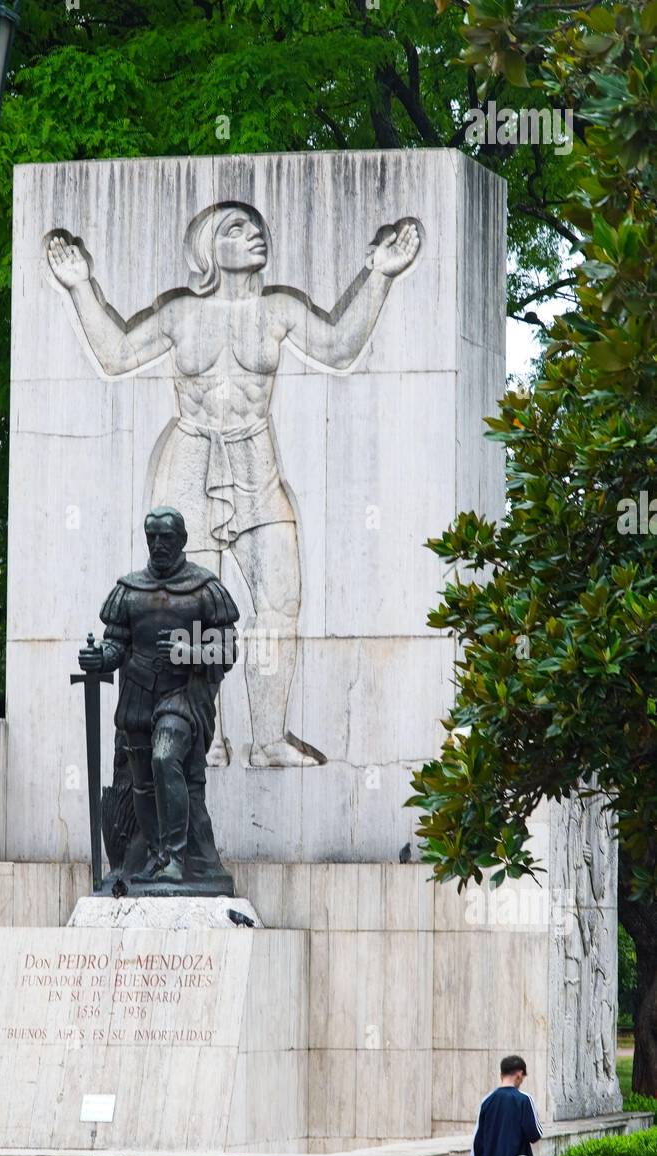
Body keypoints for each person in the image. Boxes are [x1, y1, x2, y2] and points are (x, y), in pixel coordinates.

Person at [48, 202, 420, 768]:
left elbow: (340, 347)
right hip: (190, 461)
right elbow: (117, 353)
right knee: (196, 612)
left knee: (281, 602)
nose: (256, 235)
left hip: (255, 462)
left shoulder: (280, 309)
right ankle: (204, 736)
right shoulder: (181, 314)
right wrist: (79, 286)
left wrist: (381, 274)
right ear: (208, 251)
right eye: (236, 229)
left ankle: (269, 738)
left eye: (258, 227)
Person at [78, 506, 238, 886]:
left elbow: (229, 651)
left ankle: (178, 857)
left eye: (167, 537)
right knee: (142, 782)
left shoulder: (204, 589)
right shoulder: (129, 590)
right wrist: (99, 657)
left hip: (182, 697)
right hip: (137, 698)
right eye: (152, 537)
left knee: (166, 759)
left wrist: (189, 654)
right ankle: (155, 854)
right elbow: (116, 646)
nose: (159, 545)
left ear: (182, 540)